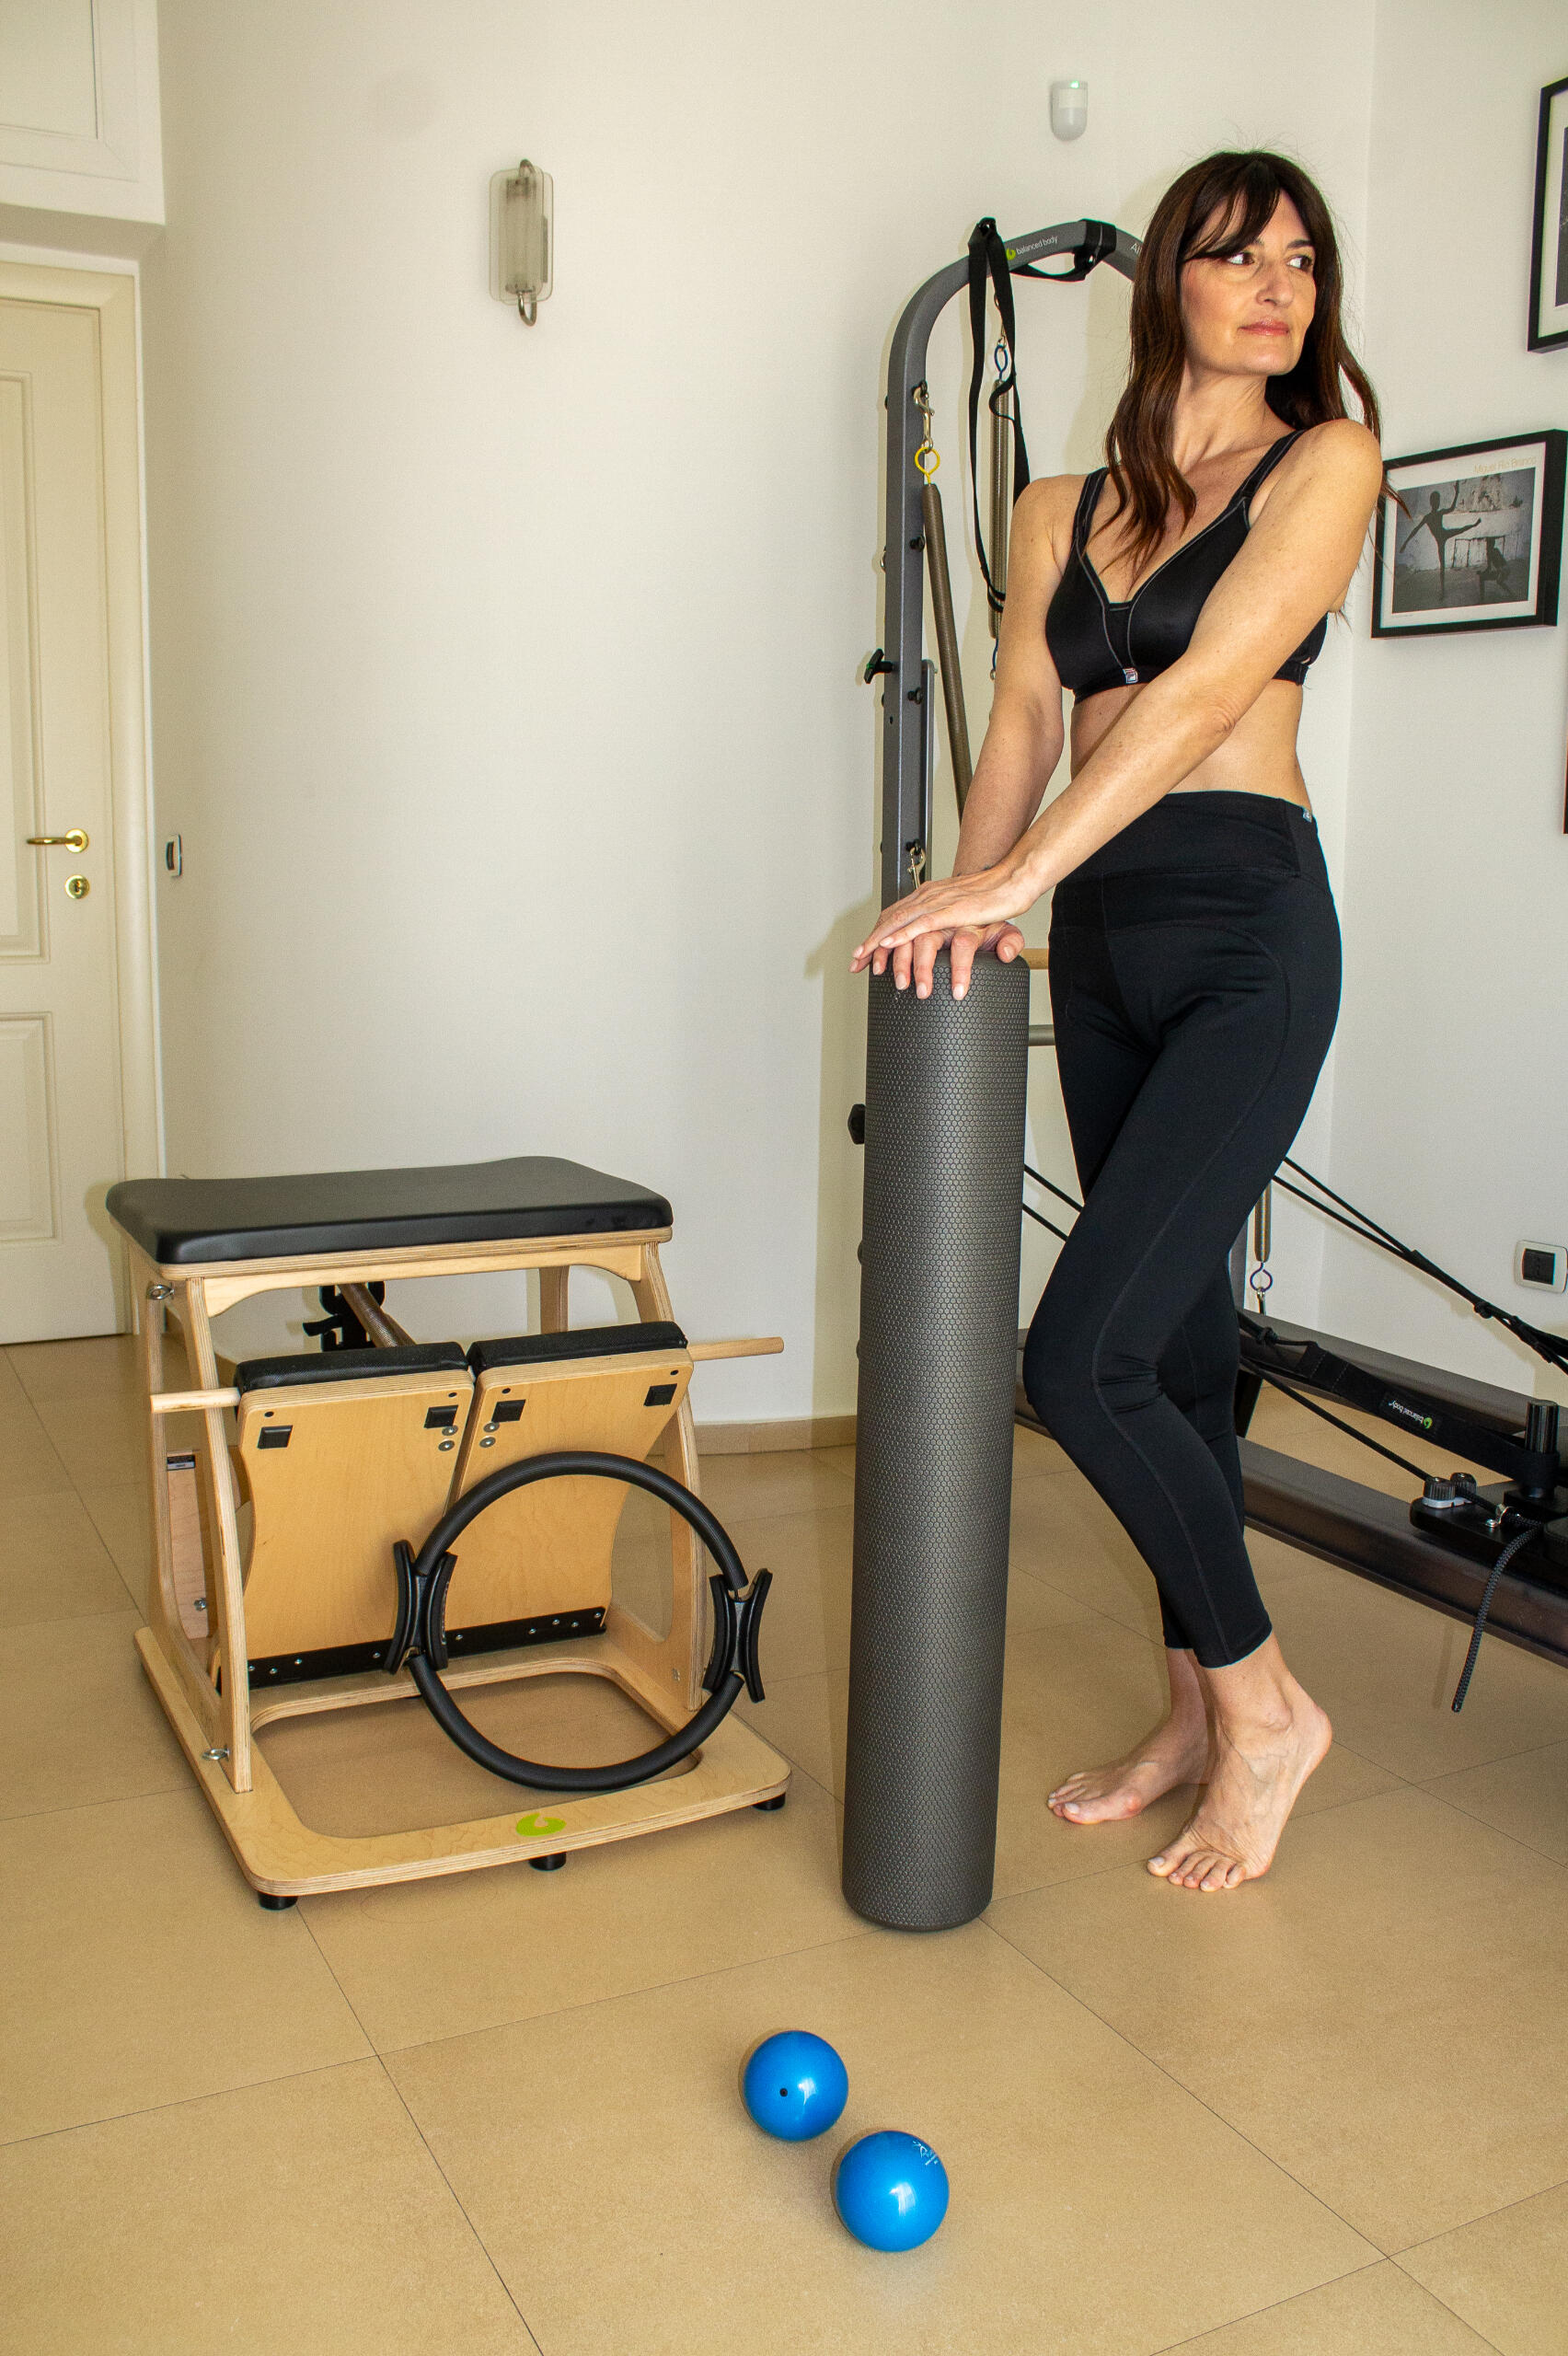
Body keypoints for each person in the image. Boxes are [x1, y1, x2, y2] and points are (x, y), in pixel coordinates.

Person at [850, 151, 1384, 1893]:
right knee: (1176, 1359)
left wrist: (1021, 874)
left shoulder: (1328, 462)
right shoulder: (1056, 507)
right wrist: (977, 889)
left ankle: (1267, 1712)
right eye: (1241, 256)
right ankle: (1191, 1716)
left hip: (1245, 931)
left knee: (1079, 1359)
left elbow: (1211, 688)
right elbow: (1024, 715)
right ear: (1171, 282)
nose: (1280, 286)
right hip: (1102, 944)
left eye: (1303, 260)